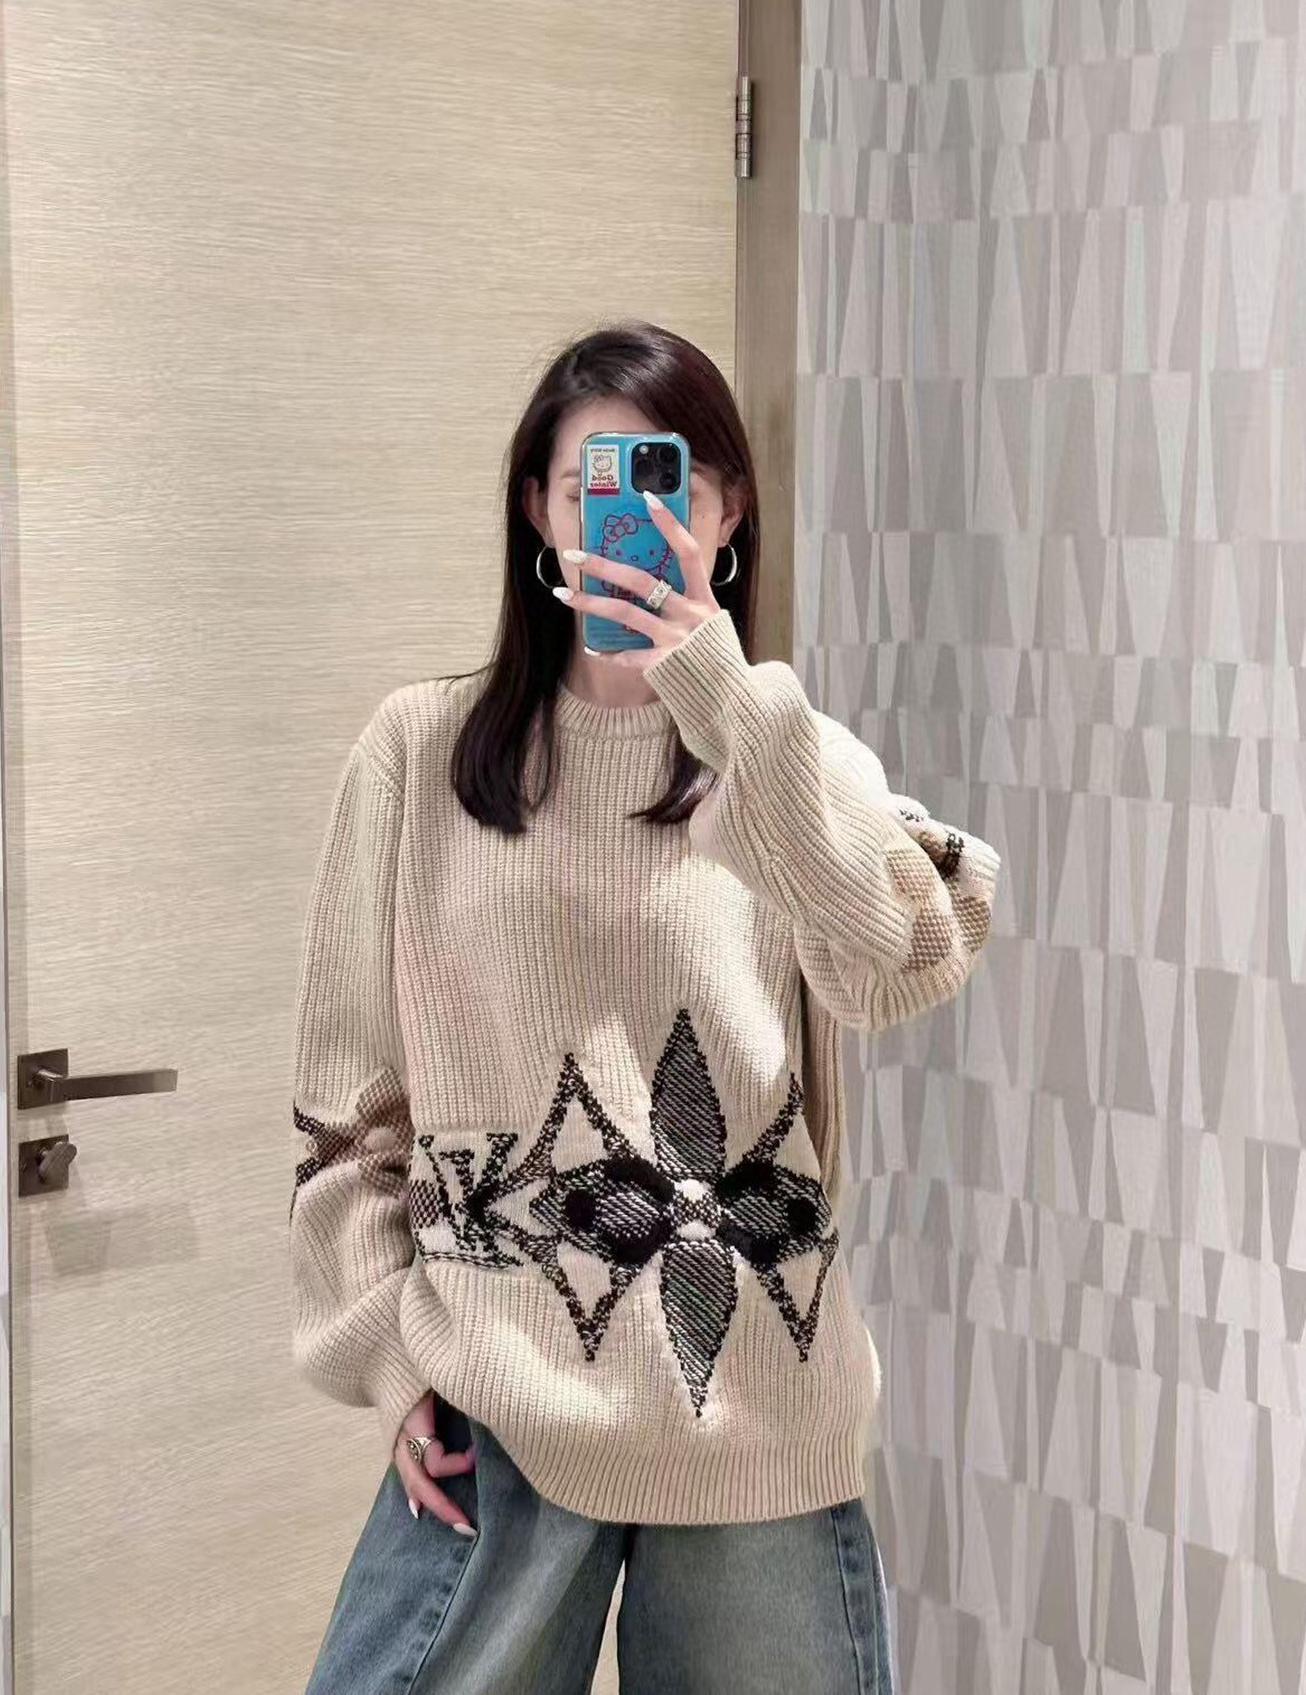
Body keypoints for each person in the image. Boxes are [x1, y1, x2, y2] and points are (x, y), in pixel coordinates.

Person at [290, 321, 1001, 1694]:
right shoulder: (418, 753)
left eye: (670, 483)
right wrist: (386, 1352)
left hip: (755, 1415)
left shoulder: (793, 760)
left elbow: (896, 968)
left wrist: (726, 702)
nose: (634, 520)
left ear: (728, 511)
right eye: (590, 486)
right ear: (538, 512)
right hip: (498, 1394)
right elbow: (348, 1104)